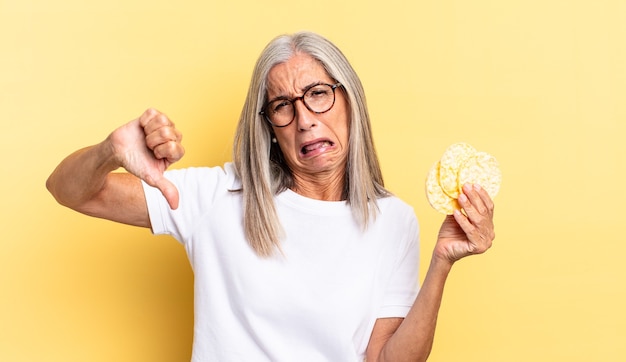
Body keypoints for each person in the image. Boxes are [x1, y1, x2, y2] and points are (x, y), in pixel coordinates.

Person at [46, 31, 495, 362]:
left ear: (349, 102)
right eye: (283, 105)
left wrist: (441, 263)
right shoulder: (217, 197)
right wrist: (111, 150)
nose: (304, 119)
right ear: (270, 127)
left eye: (318, 94)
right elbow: (69, 191)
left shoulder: (394, 220)